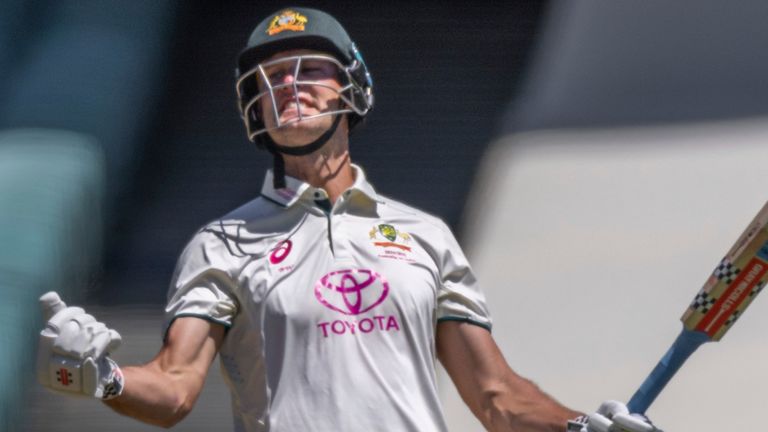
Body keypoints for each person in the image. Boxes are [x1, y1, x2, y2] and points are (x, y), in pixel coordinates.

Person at [36, 7, 663, 432]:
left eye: (312, 71)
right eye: (272, 78)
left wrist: (581, 426)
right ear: (254, 109)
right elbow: (174, 391)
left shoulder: (425, 235)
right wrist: (97, 375)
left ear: (351, 88)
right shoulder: (220, 245)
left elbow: (496, 397)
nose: (290, 87)